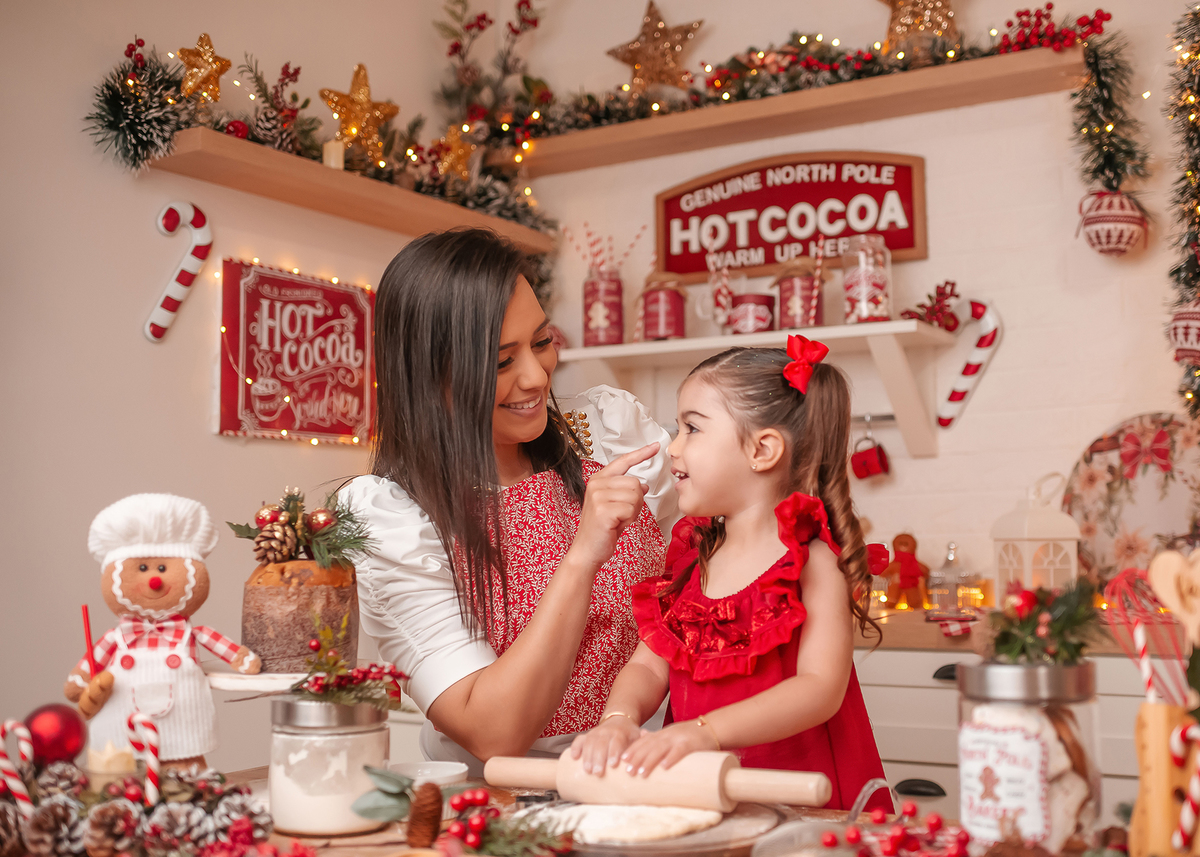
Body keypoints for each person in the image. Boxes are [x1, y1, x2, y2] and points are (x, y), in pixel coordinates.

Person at [341, 229, 676, 774]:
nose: (536, 376)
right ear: (429, 375)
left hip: (654, 779)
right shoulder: (394, 517)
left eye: (541, 342)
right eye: (500, 362)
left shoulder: (606, 432)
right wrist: (583, 554)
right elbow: (493, 732)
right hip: (509, 807)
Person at [570, 336, 891, 812]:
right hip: (699, 797)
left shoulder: (812, 564)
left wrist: (706, 732)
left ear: (762, 450)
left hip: (796, 806)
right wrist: (618, 719)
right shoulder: (694, 559)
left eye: (691, 429)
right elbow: (646, 665)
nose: (672, 448)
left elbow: (819, 689)